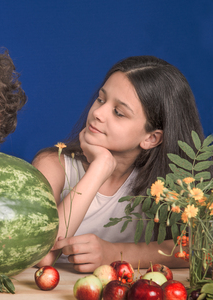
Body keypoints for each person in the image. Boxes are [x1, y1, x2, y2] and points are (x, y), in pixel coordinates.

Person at [33, 55, 204, 272]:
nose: (97, 113)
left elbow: (200, 249)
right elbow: (43, 256)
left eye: (118, 113)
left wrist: (114, 254)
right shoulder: (52, 165)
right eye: (101, 99)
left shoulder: (166, 188)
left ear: (151, 138)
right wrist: (100, 167)